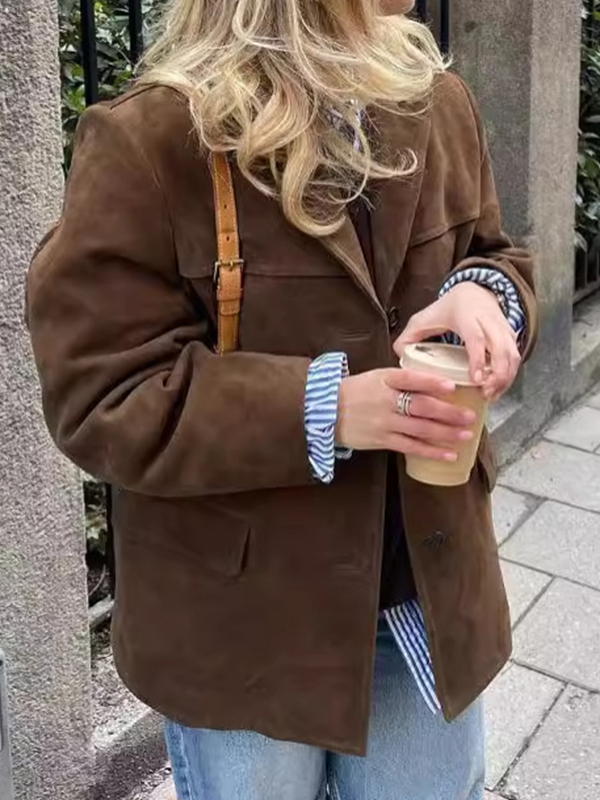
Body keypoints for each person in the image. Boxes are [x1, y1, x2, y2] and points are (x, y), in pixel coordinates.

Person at [27, 0, 538, 798]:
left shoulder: (434, 99)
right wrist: (327, 410)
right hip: (244, 627)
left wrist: (486, 296)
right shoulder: (154, 139)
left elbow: (496, 255)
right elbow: (101, 390)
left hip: (424, 592)